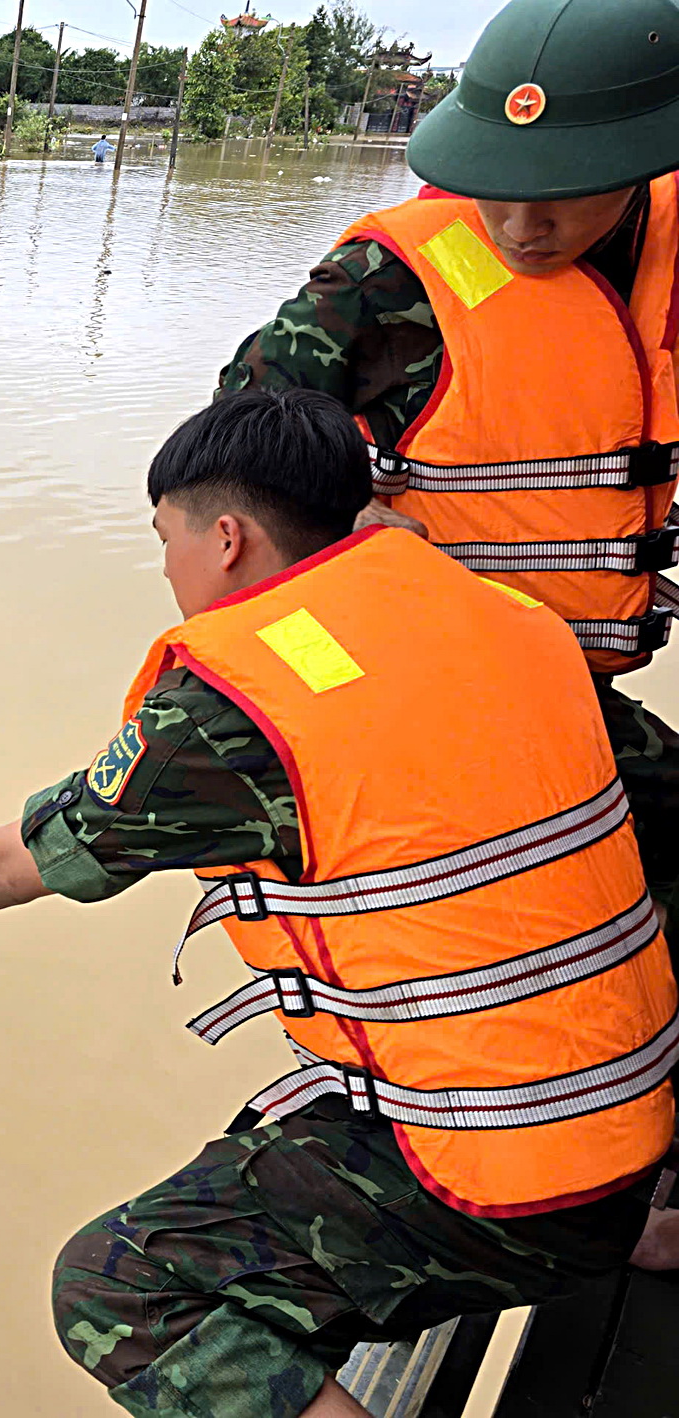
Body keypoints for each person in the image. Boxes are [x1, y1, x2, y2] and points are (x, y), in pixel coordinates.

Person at [0, 389, 678, 1417]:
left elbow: (1, 866)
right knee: (261, 1132)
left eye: (164, 539)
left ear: (227, 537)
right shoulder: (507, 624)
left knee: (119, 1285)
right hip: (638, 1127)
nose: (166, 569)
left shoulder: (233, 710)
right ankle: (631, 1225)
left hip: (506, 1187)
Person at [218, 0, 679, 921]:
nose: (518, 225)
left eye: (561, 192)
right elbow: (242, 432)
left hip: (576, 668)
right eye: (495, 184)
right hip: (437, 669)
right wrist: (338, 512)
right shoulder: (386, 280)